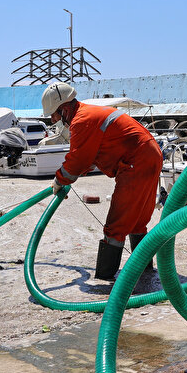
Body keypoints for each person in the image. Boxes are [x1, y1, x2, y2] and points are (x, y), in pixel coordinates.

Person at [42, 82, 163, 280]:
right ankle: (145, 273)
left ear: (64, 108)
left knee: (116, 225)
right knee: (136, 221)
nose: (54, 119)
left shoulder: (81, 120)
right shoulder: (89, 114)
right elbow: (94, 154)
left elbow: (77, 161)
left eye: (54, 114)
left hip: (137, 160)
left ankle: (105, 277)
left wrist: (59, 180)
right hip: (149, 154)